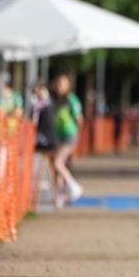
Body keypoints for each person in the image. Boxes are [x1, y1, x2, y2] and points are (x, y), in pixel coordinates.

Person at [52, 73, 84, 208]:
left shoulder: (72, 100)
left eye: (62, 84)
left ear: (68, 86)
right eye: (58, 84)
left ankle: (74, 186)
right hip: (59, 136)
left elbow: (79, 119)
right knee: (58, 167)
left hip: (69, 136)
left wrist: (76, 133)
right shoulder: (58, 100)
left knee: (57, 163)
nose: (59, 87)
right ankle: (60, 195)